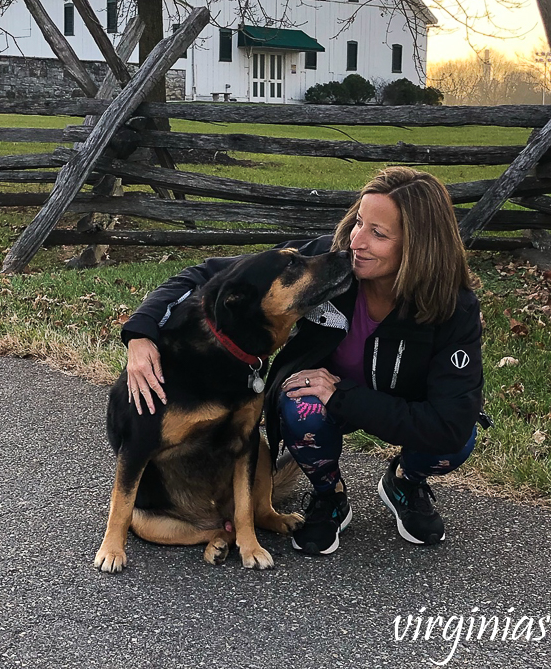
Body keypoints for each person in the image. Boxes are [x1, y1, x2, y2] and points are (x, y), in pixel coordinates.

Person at [120, 166, 486, 555]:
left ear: (419, 246)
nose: (356, 241)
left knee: (457, 441)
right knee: (299, 405)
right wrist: (140, 333)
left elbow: (449, 423)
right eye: (360, 221)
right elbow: (205, 275)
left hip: (400, 407)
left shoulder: (454, 310)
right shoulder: (326, 264)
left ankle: (404, 482)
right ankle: (330, 495)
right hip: (324, 404)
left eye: (378, 233)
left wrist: (342, 394)